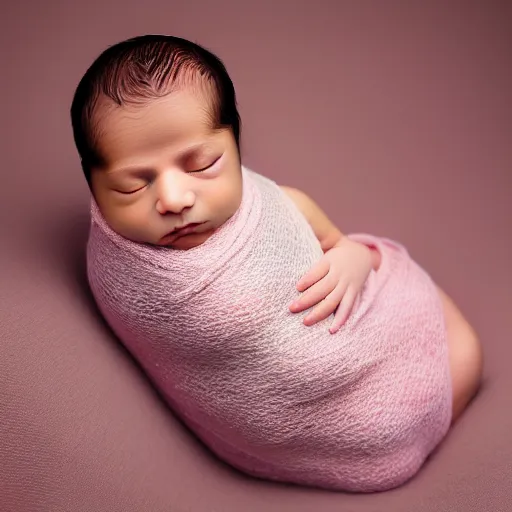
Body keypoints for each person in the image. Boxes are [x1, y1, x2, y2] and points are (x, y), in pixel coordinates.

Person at [71, 34, 483, 491]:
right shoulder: (124, 274)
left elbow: (337, 242)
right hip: (315, 422)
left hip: (366, 328)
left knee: (454, 336)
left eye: (203, 164)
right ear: (94, 186)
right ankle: (418, 417)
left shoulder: (276, 201)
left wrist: (352, 258)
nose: (174, 199)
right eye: (132, 186)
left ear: (235, 145)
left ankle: (439, 396)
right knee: (454, 367)